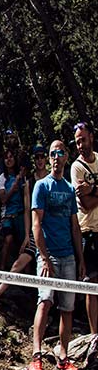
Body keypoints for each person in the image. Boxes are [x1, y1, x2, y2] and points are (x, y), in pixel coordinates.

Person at [26, 140, 85, 370]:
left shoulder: (70, 189)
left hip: (68, 255)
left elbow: (75, 226)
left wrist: (80, 258)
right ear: (49, 158)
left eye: (60, 152)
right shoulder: (41, 186)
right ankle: (36, 356)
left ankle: (63, 356)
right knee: (45, 300)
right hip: (48, 255)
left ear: (66, 156)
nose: (56, 157)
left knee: (68, 308)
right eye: (52, 153)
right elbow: (36, 223)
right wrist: (44, 257)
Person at [0, 146, 42, 312]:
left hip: (47, 229)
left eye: (43, 157)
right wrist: (30, 233)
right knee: (16, 246)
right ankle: (0, 280)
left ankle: (29, 288)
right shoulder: (14, 180)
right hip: (17, 219)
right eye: (37, 157)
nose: (40, 160)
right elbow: (15, 203)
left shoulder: (27, 179)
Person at [70, 122, 98, 335]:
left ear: (91, 137)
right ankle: (94, 335)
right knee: (92, 286)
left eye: (83, 139)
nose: (80, 144)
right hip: (89, 231)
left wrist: (94, 189)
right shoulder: (76, 167)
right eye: (77, 141)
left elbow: (90, 197)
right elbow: (86, 204)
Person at [0, 149, 30, 274]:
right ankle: (2, 268)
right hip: (8, 215)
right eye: (6, 158)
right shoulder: (1, 179)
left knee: (24, 244)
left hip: (20, 214)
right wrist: (13, 187)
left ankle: (27, 274)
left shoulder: (21, 177)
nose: (9, 160)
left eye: (11, 157)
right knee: (8, 239)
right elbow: (3, 199)